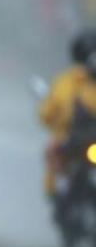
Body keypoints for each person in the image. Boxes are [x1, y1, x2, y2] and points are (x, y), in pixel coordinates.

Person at [40, 29, 96, 194]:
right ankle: (56, 193)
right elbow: (47, 112)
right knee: (55, 156)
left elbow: (45, 114)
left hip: (76, 139)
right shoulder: (66, 82)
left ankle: (53, 192)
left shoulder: (64, 81)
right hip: (71, 140)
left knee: (54, 155)